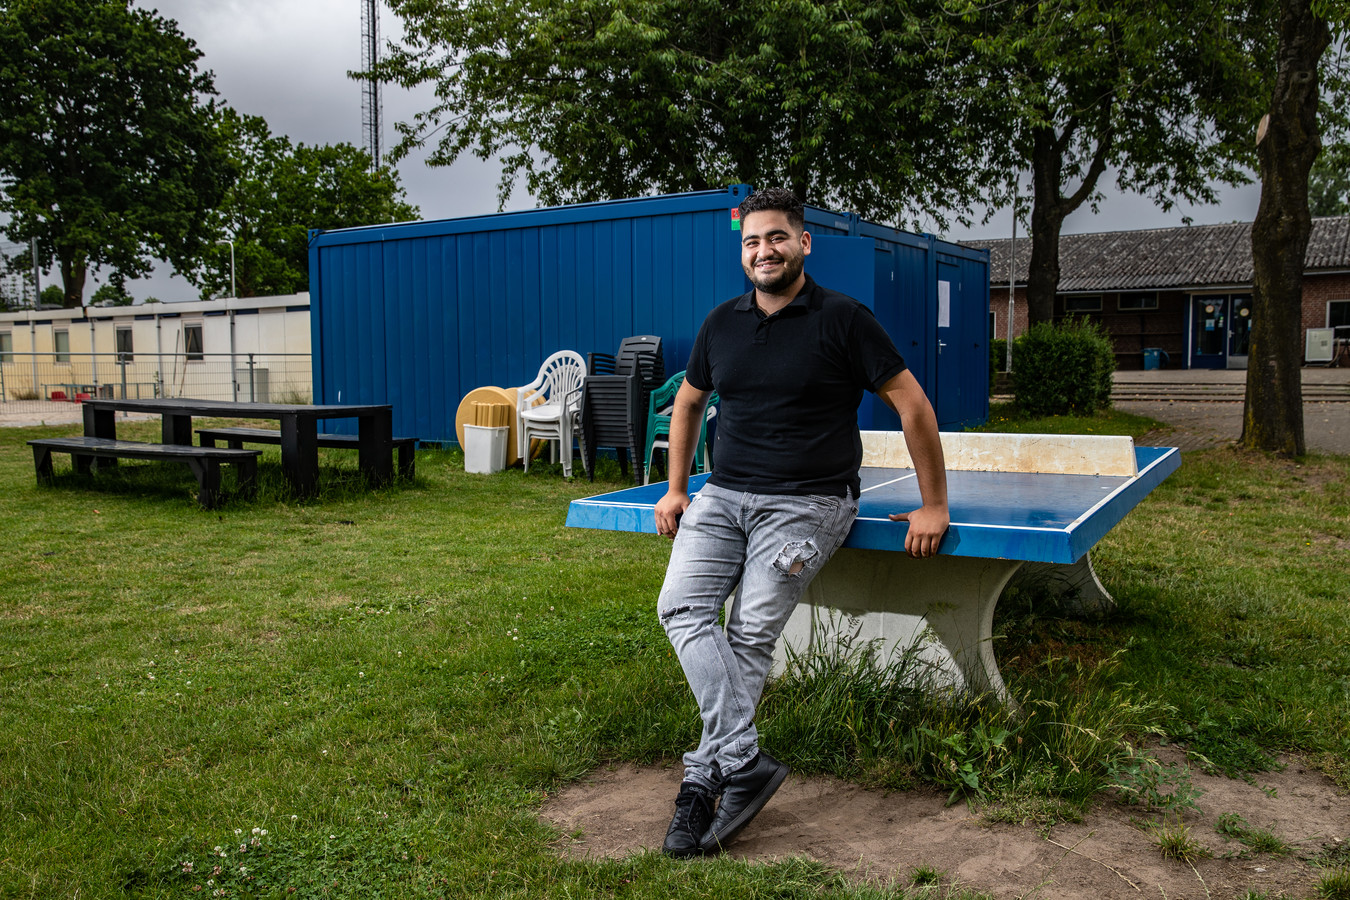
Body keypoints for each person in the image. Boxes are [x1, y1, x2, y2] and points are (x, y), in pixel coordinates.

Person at [653, 187, 950, 858]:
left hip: (810, 503)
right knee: (682, 609)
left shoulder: (845, 319)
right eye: (752, 241)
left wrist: (935, 504)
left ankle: (704, 782)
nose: (764, 250)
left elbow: (914, 407)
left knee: (749, 635)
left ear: (804, 243)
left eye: (777, 237)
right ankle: (743, 760)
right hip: (723, 497)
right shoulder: (720, 323)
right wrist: (677, 489)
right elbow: (688, 403)